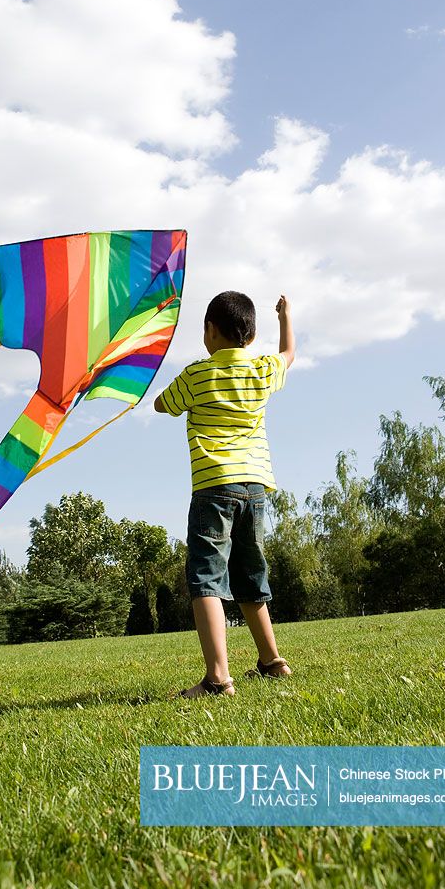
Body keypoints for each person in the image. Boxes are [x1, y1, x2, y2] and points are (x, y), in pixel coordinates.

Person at [154, 290, 295, 698]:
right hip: (255, 488)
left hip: (214, 486)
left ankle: (217, 678)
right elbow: (288, 354)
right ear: (250, 337)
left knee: (206, 578)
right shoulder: (263, 370)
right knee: (251, 573)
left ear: (209, 331)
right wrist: (286, 316)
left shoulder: (197, 375)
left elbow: (164, 405)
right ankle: (272, 660)